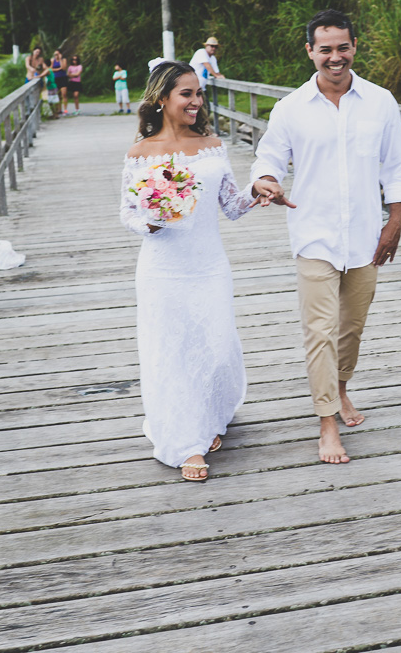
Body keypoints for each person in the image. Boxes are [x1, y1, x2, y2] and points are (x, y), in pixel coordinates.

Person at [250, 9, 401, 465]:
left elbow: (396, 166)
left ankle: (340, 391)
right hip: (313, 234)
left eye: (343, 47)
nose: (335, 57)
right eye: (326, 49)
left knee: (351, 328)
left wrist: (394, 222)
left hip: (364, 235)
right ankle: (326, 422)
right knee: (319, 331)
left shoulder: (380, 101)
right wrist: (266, 181)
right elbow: (269, 157)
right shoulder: (290, 108)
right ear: (310, 51)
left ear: (354, 47)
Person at [120, 60, 286, 482]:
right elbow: (128, 213)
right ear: (162, 99)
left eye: (198, 93)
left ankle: (210, 417)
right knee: (170, 354)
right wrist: (151, 221)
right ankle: (186, 443)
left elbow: (230, 205)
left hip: (209, 266)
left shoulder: (212, 146)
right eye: (186, 94)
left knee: (216, 349)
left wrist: (258, 191)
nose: (197, 101)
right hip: (162, 269)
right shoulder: (140, 153)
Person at [51, 49, 68, 115]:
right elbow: (51, 69)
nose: (56, 56)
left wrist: (60, 59)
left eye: (57, 54)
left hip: (63, 78)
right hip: (56, 78)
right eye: (55, 54)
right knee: (57, 95)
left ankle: (65, 110)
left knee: (64, 94)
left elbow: (63, 68)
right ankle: (59, 109)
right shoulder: (53, 60)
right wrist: (58, 69)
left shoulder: (64, 60)